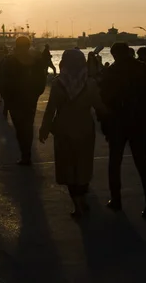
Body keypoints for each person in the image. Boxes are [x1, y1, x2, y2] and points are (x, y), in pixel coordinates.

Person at [39, 49, 106, 218]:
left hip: (63, 129)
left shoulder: (57, 84)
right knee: (83, 164)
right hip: (85, 129)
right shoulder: (90, 84)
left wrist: (44, 128)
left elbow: (50, 109)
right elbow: (99, 106)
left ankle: (77, 204)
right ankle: (82, 197)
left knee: (67, 165)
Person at [100, 42, 146, 219]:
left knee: (114, 162)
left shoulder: (111, 72)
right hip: (139, 123)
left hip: (117, 123)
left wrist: (106, 122)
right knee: (142, 163)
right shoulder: (144, 69)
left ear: (113, 55)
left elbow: (104, 99)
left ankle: (116, 199)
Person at [1, 36, 47, 165]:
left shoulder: (9, 61)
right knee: (27, 126)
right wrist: (35, 95)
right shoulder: (36, 61)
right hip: (29, 100)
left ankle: (25, 154)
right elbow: (41, 80)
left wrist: (8, 99)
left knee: (20, 128)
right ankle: (26, 154)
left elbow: (3, 82)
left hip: (16, 101)